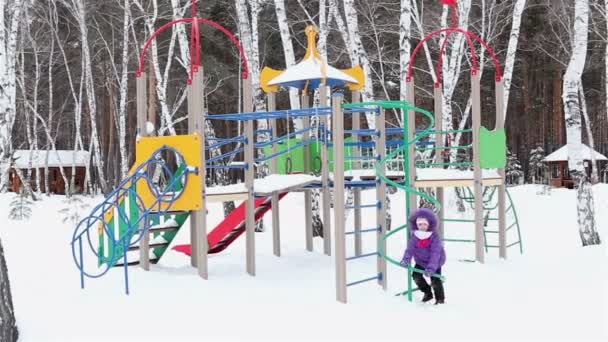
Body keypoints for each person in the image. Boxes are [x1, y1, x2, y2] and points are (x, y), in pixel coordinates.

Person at [400, 208, 446, 304]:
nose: (422, 227)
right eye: (420, 224)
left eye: (425, 224)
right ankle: (427, 292)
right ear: (416, 225)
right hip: (421, 261)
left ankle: (440, 299)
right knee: (416, 276)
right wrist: (406, 259)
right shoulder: (415, 236)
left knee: (435, 280)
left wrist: (431, 268)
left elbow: (435, 253)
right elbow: (410, 250)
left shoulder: (434, 236)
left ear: (429, 224)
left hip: (435, 262)